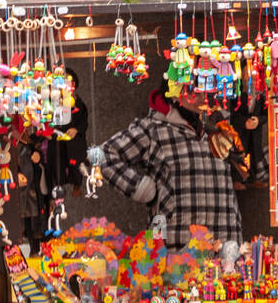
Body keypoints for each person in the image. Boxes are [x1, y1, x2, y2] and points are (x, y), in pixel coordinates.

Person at [90, 88, 244, 250]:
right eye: (192, 91)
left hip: (227, 249)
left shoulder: (222, 128)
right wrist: (143, 189)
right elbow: (99, 155)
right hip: (175, 250)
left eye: (206, 91)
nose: (202, 98)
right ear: (175, 93)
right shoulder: (154, 129)